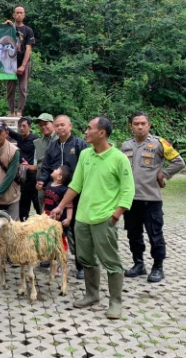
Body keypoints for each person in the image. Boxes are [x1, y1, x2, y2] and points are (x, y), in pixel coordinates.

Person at [50, 116, 135, 319]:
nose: (85, 132)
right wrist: (61, 206)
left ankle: (115, 302)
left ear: (102, 133)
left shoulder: (119, 158)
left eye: (89, 128)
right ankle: (91, 295)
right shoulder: (86, 154)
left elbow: (128, 190)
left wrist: (114, 217)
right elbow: (76, 185)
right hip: (82, 218)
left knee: (111, 261)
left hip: (104, 219)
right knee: (85, 258)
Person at [120, 111, 186, 283]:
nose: (140, 126)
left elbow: (179, 162)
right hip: (130, 200)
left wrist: (163, 174)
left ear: (149, 125)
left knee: (154, 234)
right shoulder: (125, 146)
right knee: (133, 235)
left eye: (143, 123)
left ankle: (158, 267)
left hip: (151, 199)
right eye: (136, 124)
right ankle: (138, 264)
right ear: (131, 126)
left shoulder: (159, 143)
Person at [37, 115, 88, 278]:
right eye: (57, 125)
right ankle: (51, 258)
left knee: (74, 229)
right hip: (54, 194)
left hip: (75, 193)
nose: (60, 128)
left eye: (62, 125)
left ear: (70, 126)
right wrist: (41, 180)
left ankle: (81, 265)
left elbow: (87, 167)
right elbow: (45, 167)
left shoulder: (80, 144)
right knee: (51, 228)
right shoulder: (53, 145)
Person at [6, 117, 40, 221]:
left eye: (24, 126)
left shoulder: (36, 139)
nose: (21, 128)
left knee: (36, 201)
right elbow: (9, 131)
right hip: (22, 175)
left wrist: (34, 166)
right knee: (24, 202)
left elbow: (41, 156)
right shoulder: (20, 137)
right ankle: (24, 220)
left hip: (33, 174)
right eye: (19, 126)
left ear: (29, 127)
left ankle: (41, 219)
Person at [42, 165, 74, 274]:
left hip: (59, 221)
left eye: (56, 170)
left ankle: (62, 263)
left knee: (61, 242)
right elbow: (45, 202)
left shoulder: (64, 190)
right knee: (50, 241)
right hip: (48, 219)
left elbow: (69, 206)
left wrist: (69, 218)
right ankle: (52, 262)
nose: (53, 170)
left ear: (59, 177)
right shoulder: (48, 185)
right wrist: (43, 214)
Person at [4, 6, 35, 117]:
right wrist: (4, 26)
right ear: (13, 15)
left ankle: (19, 112)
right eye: (17, 13)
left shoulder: (28, 30)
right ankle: (11, 112)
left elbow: (28, 49)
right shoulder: (8, 28)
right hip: (10, 62)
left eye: (21, 12)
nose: (19, 14)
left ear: (24, 15)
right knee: (10, 89)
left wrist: (23, 65)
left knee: (23, 88)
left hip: (23, 62)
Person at [32, 113, 57, 214]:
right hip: (42, 184)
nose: (43, 127)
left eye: (46, 124)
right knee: (43, 212)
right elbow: (36, 162)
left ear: (53, 123)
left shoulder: (61, 139)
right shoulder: (37, 142)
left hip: (57, 182)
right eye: (41, 125)